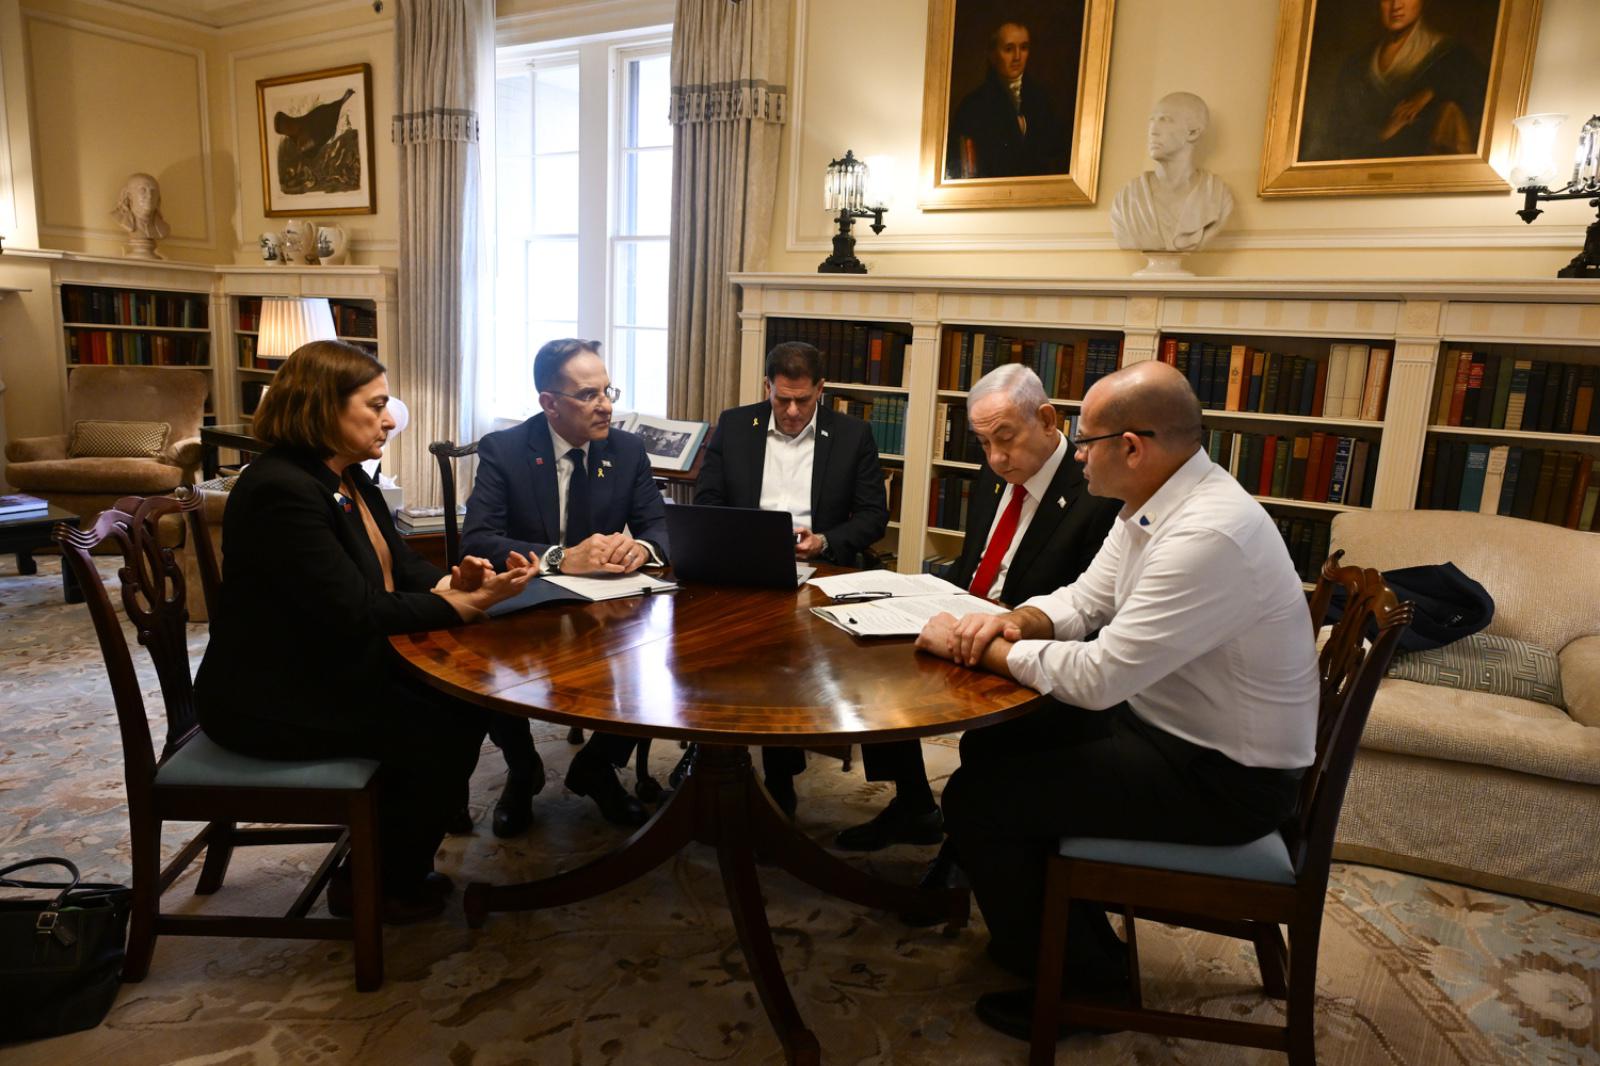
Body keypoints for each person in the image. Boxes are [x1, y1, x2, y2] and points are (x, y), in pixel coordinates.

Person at [914, 360, 1318, 1041]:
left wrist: (977, 647)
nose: (1076, 453)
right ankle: (1062, 939)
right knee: (995, 744)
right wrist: (1012, 623)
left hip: (1227, 779)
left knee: (980, 800)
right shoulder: (1155, 503)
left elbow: (1102, 675)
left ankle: (1080, 981)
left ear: (1132, 447)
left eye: (1086, 440)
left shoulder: (1205, 535)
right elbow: (1085, 600)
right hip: (1177, 730)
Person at [194, 340, 535, 924]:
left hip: (325, 664)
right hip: (268, 697)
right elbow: (356, 611)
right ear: (324, 407)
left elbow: (401, 568)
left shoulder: (348, 476)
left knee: (464, 697)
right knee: (443, 717)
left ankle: (392, 856)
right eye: (376, 405)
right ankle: (376, 884)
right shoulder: (282, 490)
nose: (390, 418)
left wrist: (457, 579)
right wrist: (462, 606)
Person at [834, 364, 1119, 851]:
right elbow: (975, 569)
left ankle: (968, 845)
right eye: (983, 444)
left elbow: (1090, 608)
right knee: (871, 666)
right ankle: (915, 803)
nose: (995, 458)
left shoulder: (1096, 489)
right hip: (971, 617)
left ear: (1048, 420)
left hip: (1029, 644)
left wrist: (1003, 621)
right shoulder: (996, 476)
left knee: (984, 740)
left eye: (1004, 439)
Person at [461, 337, 669, 832]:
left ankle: (598, 765)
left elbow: (659, 527)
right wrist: (559, 558)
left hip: (604, 605)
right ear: (549, 404)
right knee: (480, 654)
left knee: (660, 654)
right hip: (527, 596)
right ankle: (521, 766)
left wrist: (641, 549)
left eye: (608, 390)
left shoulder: (626, 448)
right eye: (589, 394)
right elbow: (479, 537)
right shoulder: (506, 449)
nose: (606, 405)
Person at [693, 340, 890, 816]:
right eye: (782, 399)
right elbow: (707, 501)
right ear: (768, 387)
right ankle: (707, 753)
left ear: (822, 390)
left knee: (786, 656)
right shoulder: (736, 426)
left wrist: (822, 540)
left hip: (820, 573)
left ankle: (780, 776)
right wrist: (746, 538)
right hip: (744, 568)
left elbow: (872, 517)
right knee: (704, 647)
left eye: (804, 399)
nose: (793, 410)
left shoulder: (851, 434)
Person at [1300, 0, 1487, 162]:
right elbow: (1337, 134)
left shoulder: (1452, 56)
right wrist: (1382, 133)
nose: (1396, 6)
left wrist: (1431, 92)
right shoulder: (1356, 66)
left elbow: (1479, 100)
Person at [945, 21, 1071, 179]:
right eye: (1009, 49)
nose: (1017, 57)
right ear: (992, 54)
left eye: (1024, 48)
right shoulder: (972, 106)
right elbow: (962, 169)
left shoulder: (1043, 100)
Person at [1110, 92, 1233, 254]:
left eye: (1165, 120)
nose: (1152, 130)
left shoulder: (1216, 197)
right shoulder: (1128, 199)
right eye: (1152, 120)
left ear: (1193, 132)